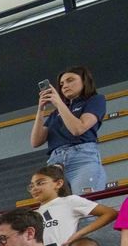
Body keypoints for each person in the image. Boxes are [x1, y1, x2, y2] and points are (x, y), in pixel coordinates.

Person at [29, 65, 110, 195]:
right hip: (55, 163)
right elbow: (35, 142)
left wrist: (58, 103)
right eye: (61, 84)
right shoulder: (56, 113)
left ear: (84, 81)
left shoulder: (95, 100)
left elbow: (78, 129)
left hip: (82, 159)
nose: (64, 86)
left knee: (84, 207)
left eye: (70, 80)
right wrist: (41, 109)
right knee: (59, 210)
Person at [27, 165, 113, 246]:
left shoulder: (70, 201)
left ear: (58, 183)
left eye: (40, 183)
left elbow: (110, 213)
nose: (34, 188)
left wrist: (79, 233)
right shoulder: (34, 213)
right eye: (31, 186)